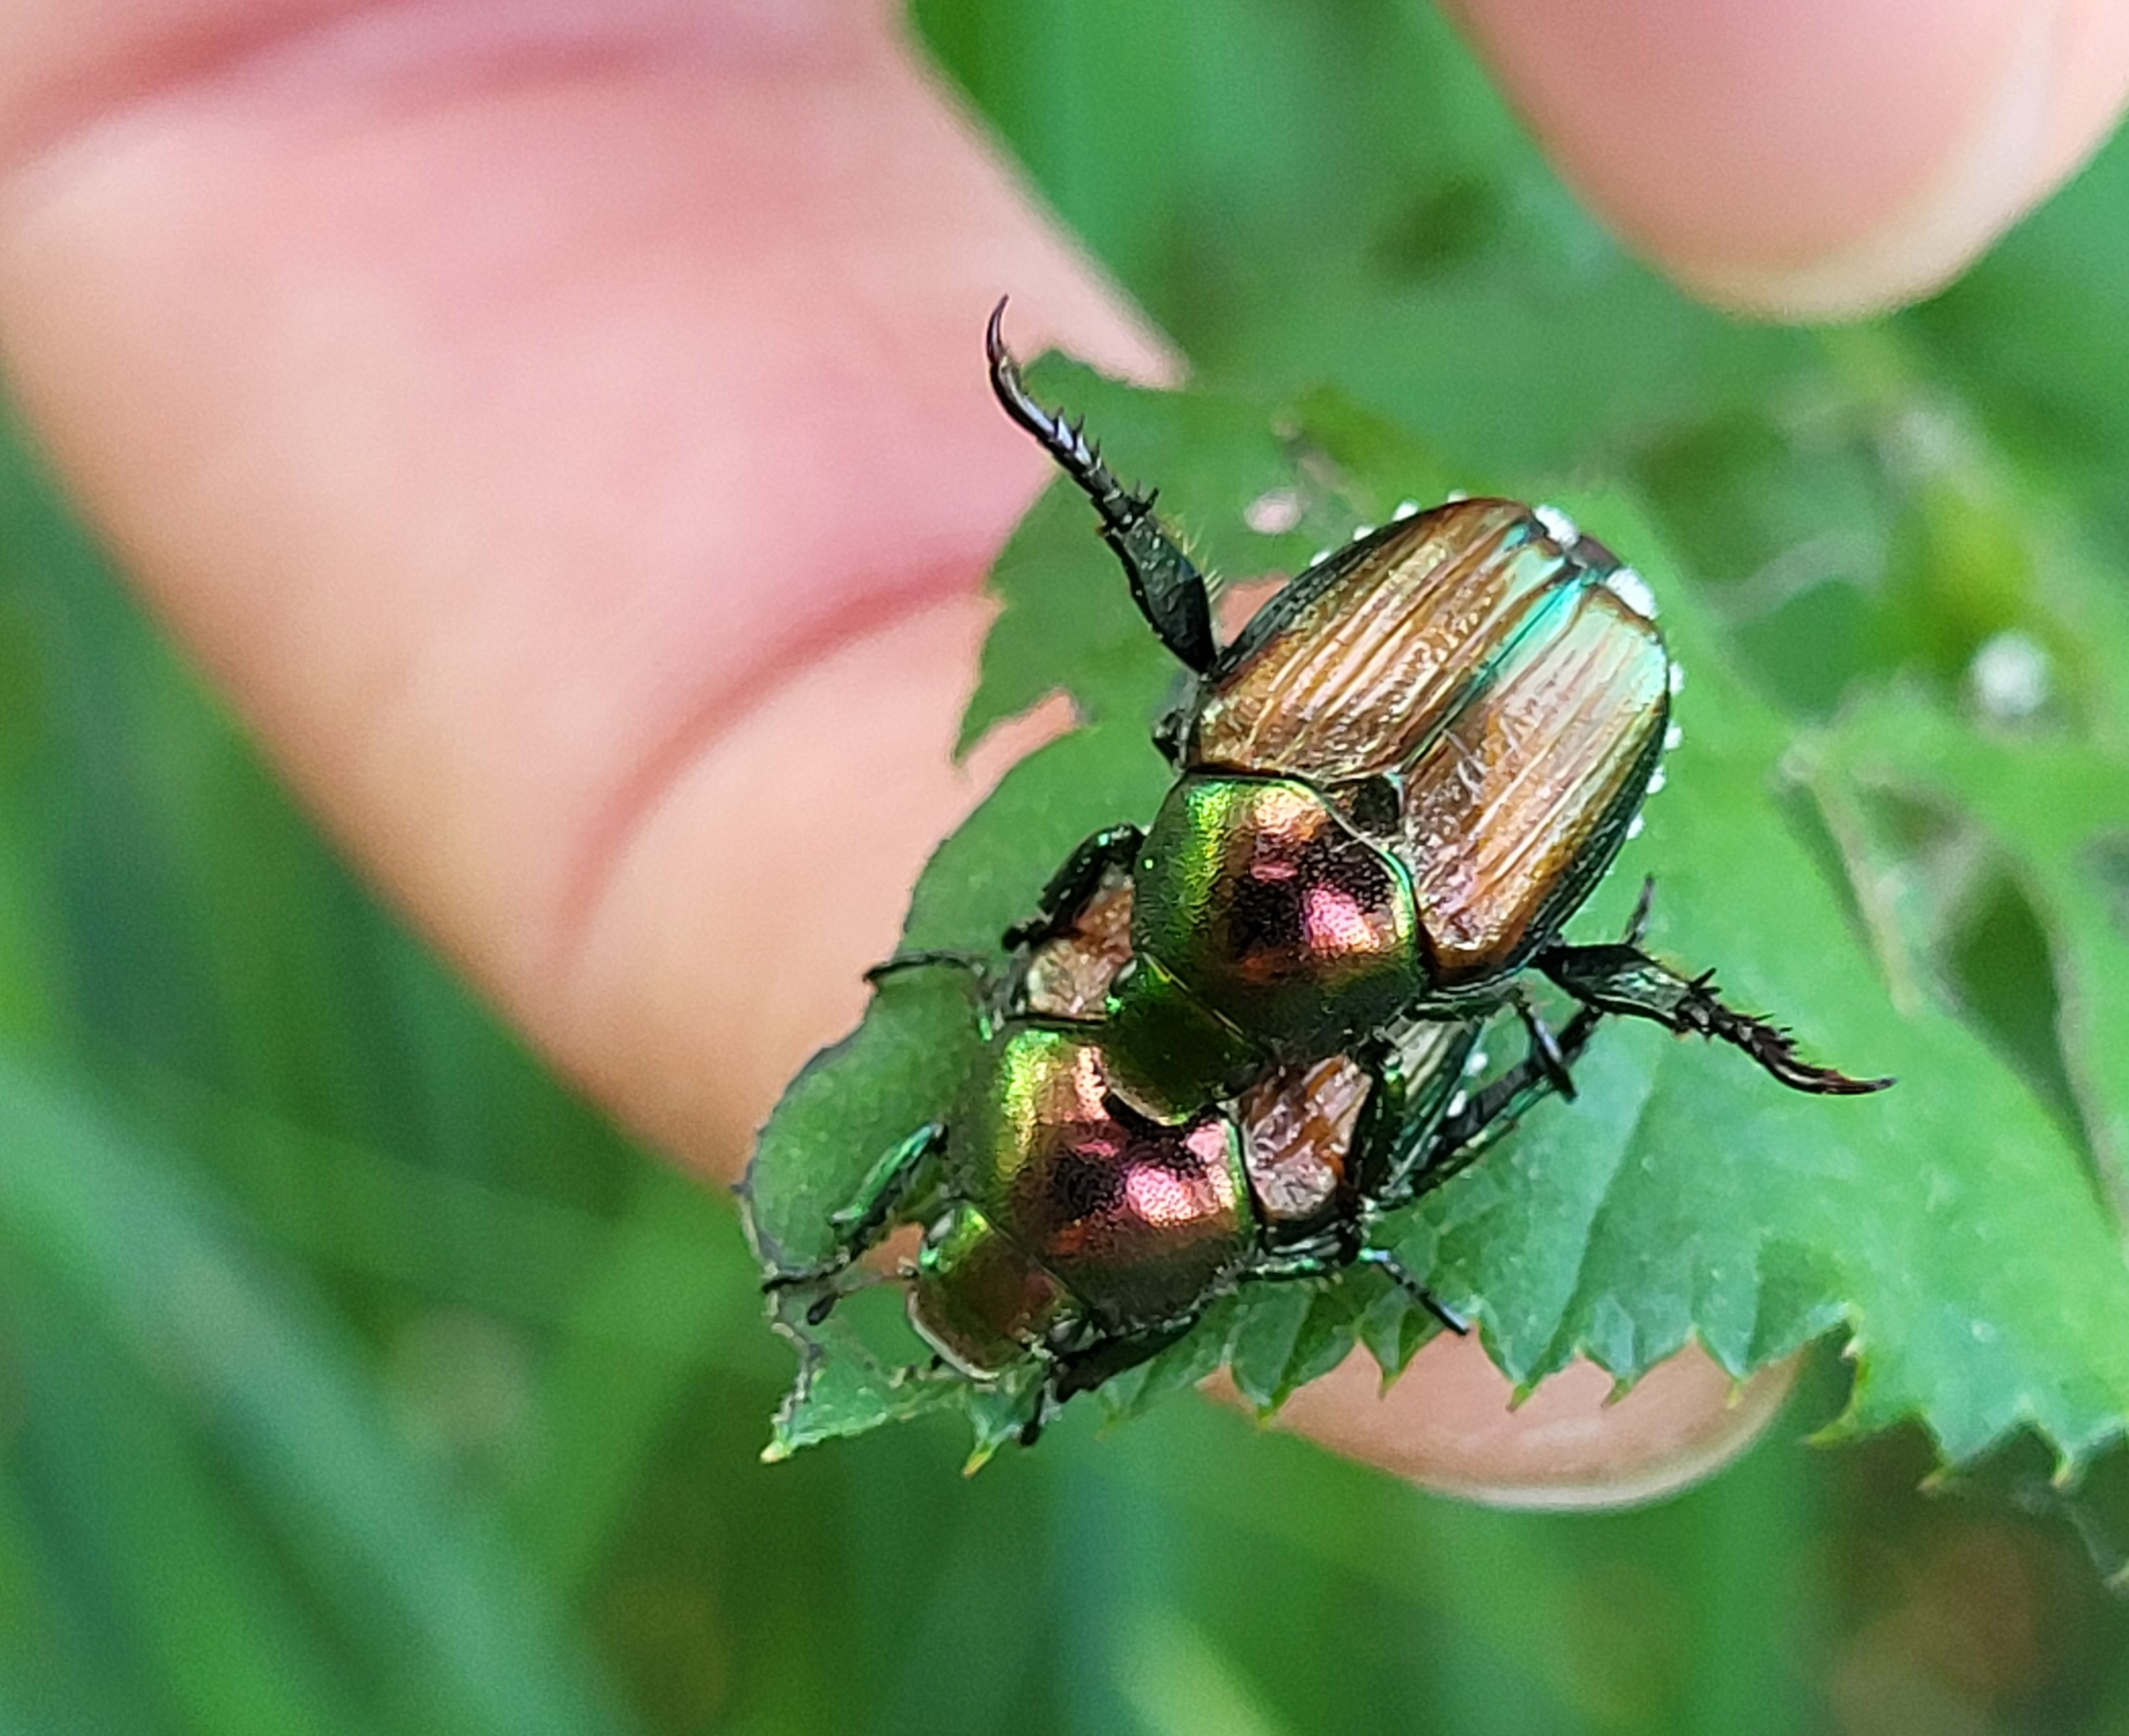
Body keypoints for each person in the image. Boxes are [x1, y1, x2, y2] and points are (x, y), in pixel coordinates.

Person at [1, 0, 2121, 1498]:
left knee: (1483, 920)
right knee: (1511, 944)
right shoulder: (1262, 861)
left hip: (1516, 657)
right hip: (1529, 682)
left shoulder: (1321, 929)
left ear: (1093, 974)